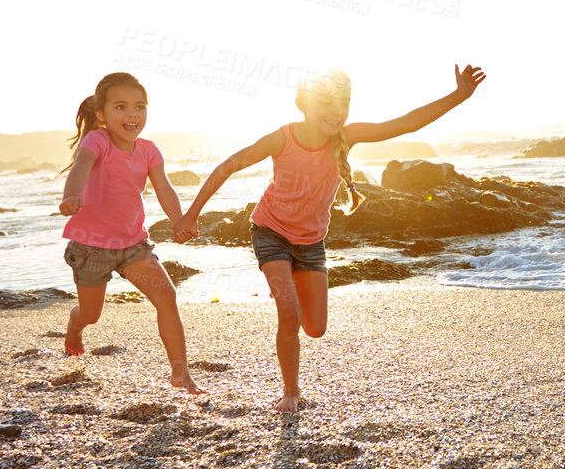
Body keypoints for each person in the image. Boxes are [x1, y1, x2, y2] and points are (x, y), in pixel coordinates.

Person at [174, 63, 485, 413]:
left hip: (311, 243)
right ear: (302, 104)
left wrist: (459, 96)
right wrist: (191, 214)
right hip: (270, 232)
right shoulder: (282, 138)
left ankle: (291, 292)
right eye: (326, 102)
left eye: (344, 103)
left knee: (316, 328)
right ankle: (290, 393)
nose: (337, 111)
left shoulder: (347, 137)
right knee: (289, 314)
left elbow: (406, 122)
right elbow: (228, 165)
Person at [58, 71, 202, 394]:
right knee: (91, 314)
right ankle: (74, 325)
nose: (132, 114)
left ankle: (180, 372)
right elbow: (81, 165)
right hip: (91, 246)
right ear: (101, 114)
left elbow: (163, 188)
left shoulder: (149, 151)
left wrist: (178, 219)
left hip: (133, 244)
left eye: (140, 106)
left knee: (167, 296)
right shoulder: (98, 141)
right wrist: (71, 196)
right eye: (120, 107)